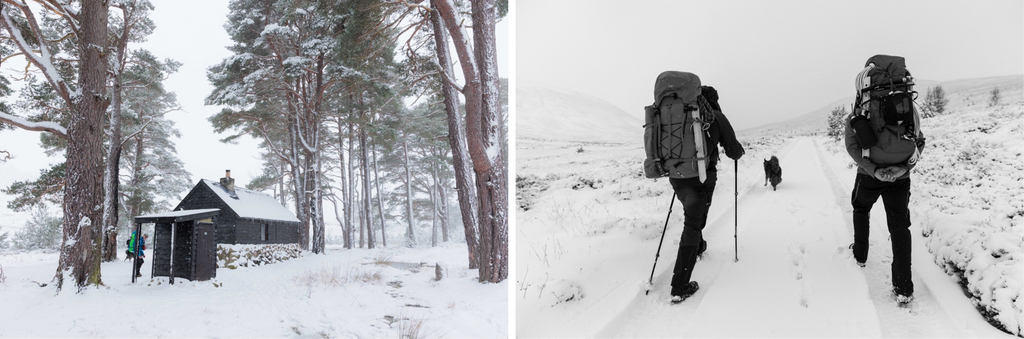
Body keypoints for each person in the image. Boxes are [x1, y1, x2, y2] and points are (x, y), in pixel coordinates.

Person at [845, 56, 926, 304]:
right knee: (900, 227)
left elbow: (852, 146)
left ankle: (860, 254)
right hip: (901, 176)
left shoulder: (861, 110)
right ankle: (903, 288)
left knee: (861, 207)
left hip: (870, 174)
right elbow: (919, 142)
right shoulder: (909, 108)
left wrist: (874, 171)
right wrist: (903, 169)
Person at [667, 85, 745, 303]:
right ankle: (679, 286)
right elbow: (733, 150)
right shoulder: (715, 116)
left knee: (692, 215)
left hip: (677, 177)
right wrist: (739, 151)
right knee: (693, 223)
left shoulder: (678, 115)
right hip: (701, 179)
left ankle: (699, 246)